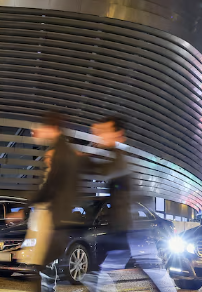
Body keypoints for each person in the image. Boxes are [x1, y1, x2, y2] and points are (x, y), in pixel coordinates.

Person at [82, 116, 176, 292]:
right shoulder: (115, 156)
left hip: (133, 227)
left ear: (118, 134)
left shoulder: (118, 159)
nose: (99, 136)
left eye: (104, 132)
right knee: (116, 265)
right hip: (129, 226)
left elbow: (104, 171)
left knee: (151, 268)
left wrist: (82, 159)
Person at [27, 111, 79, 292]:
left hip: (53, 225)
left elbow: (50, 191)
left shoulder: (62, 153)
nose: (47, 160)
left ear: (53, 128)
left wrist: (25, 207)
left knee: (45, 270)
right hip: (47, 226)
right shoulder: (61, 152)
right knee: (42, 270)